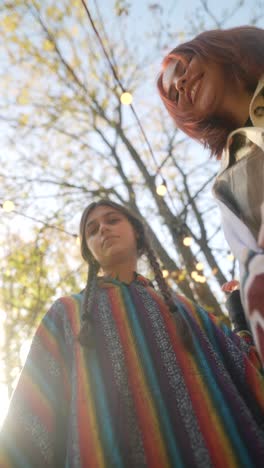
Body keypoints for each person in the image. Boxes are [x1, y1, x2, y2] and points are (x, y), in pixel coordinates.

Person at [1, 198, 264, 467]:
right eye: (92, 230)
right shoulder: (68, 313)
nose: (103, 229)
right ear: (89, 251)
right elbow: (30, 413)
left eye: (112, 220)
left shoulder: (186, 310)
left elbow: (247, 366)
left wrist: (240, 314)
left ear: (136, 231)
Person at [157, 26, 264, 364]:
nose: (179, 84)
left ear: (218, 47)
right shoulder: (229, 182)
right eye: (173, 93)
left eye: (182, 67)